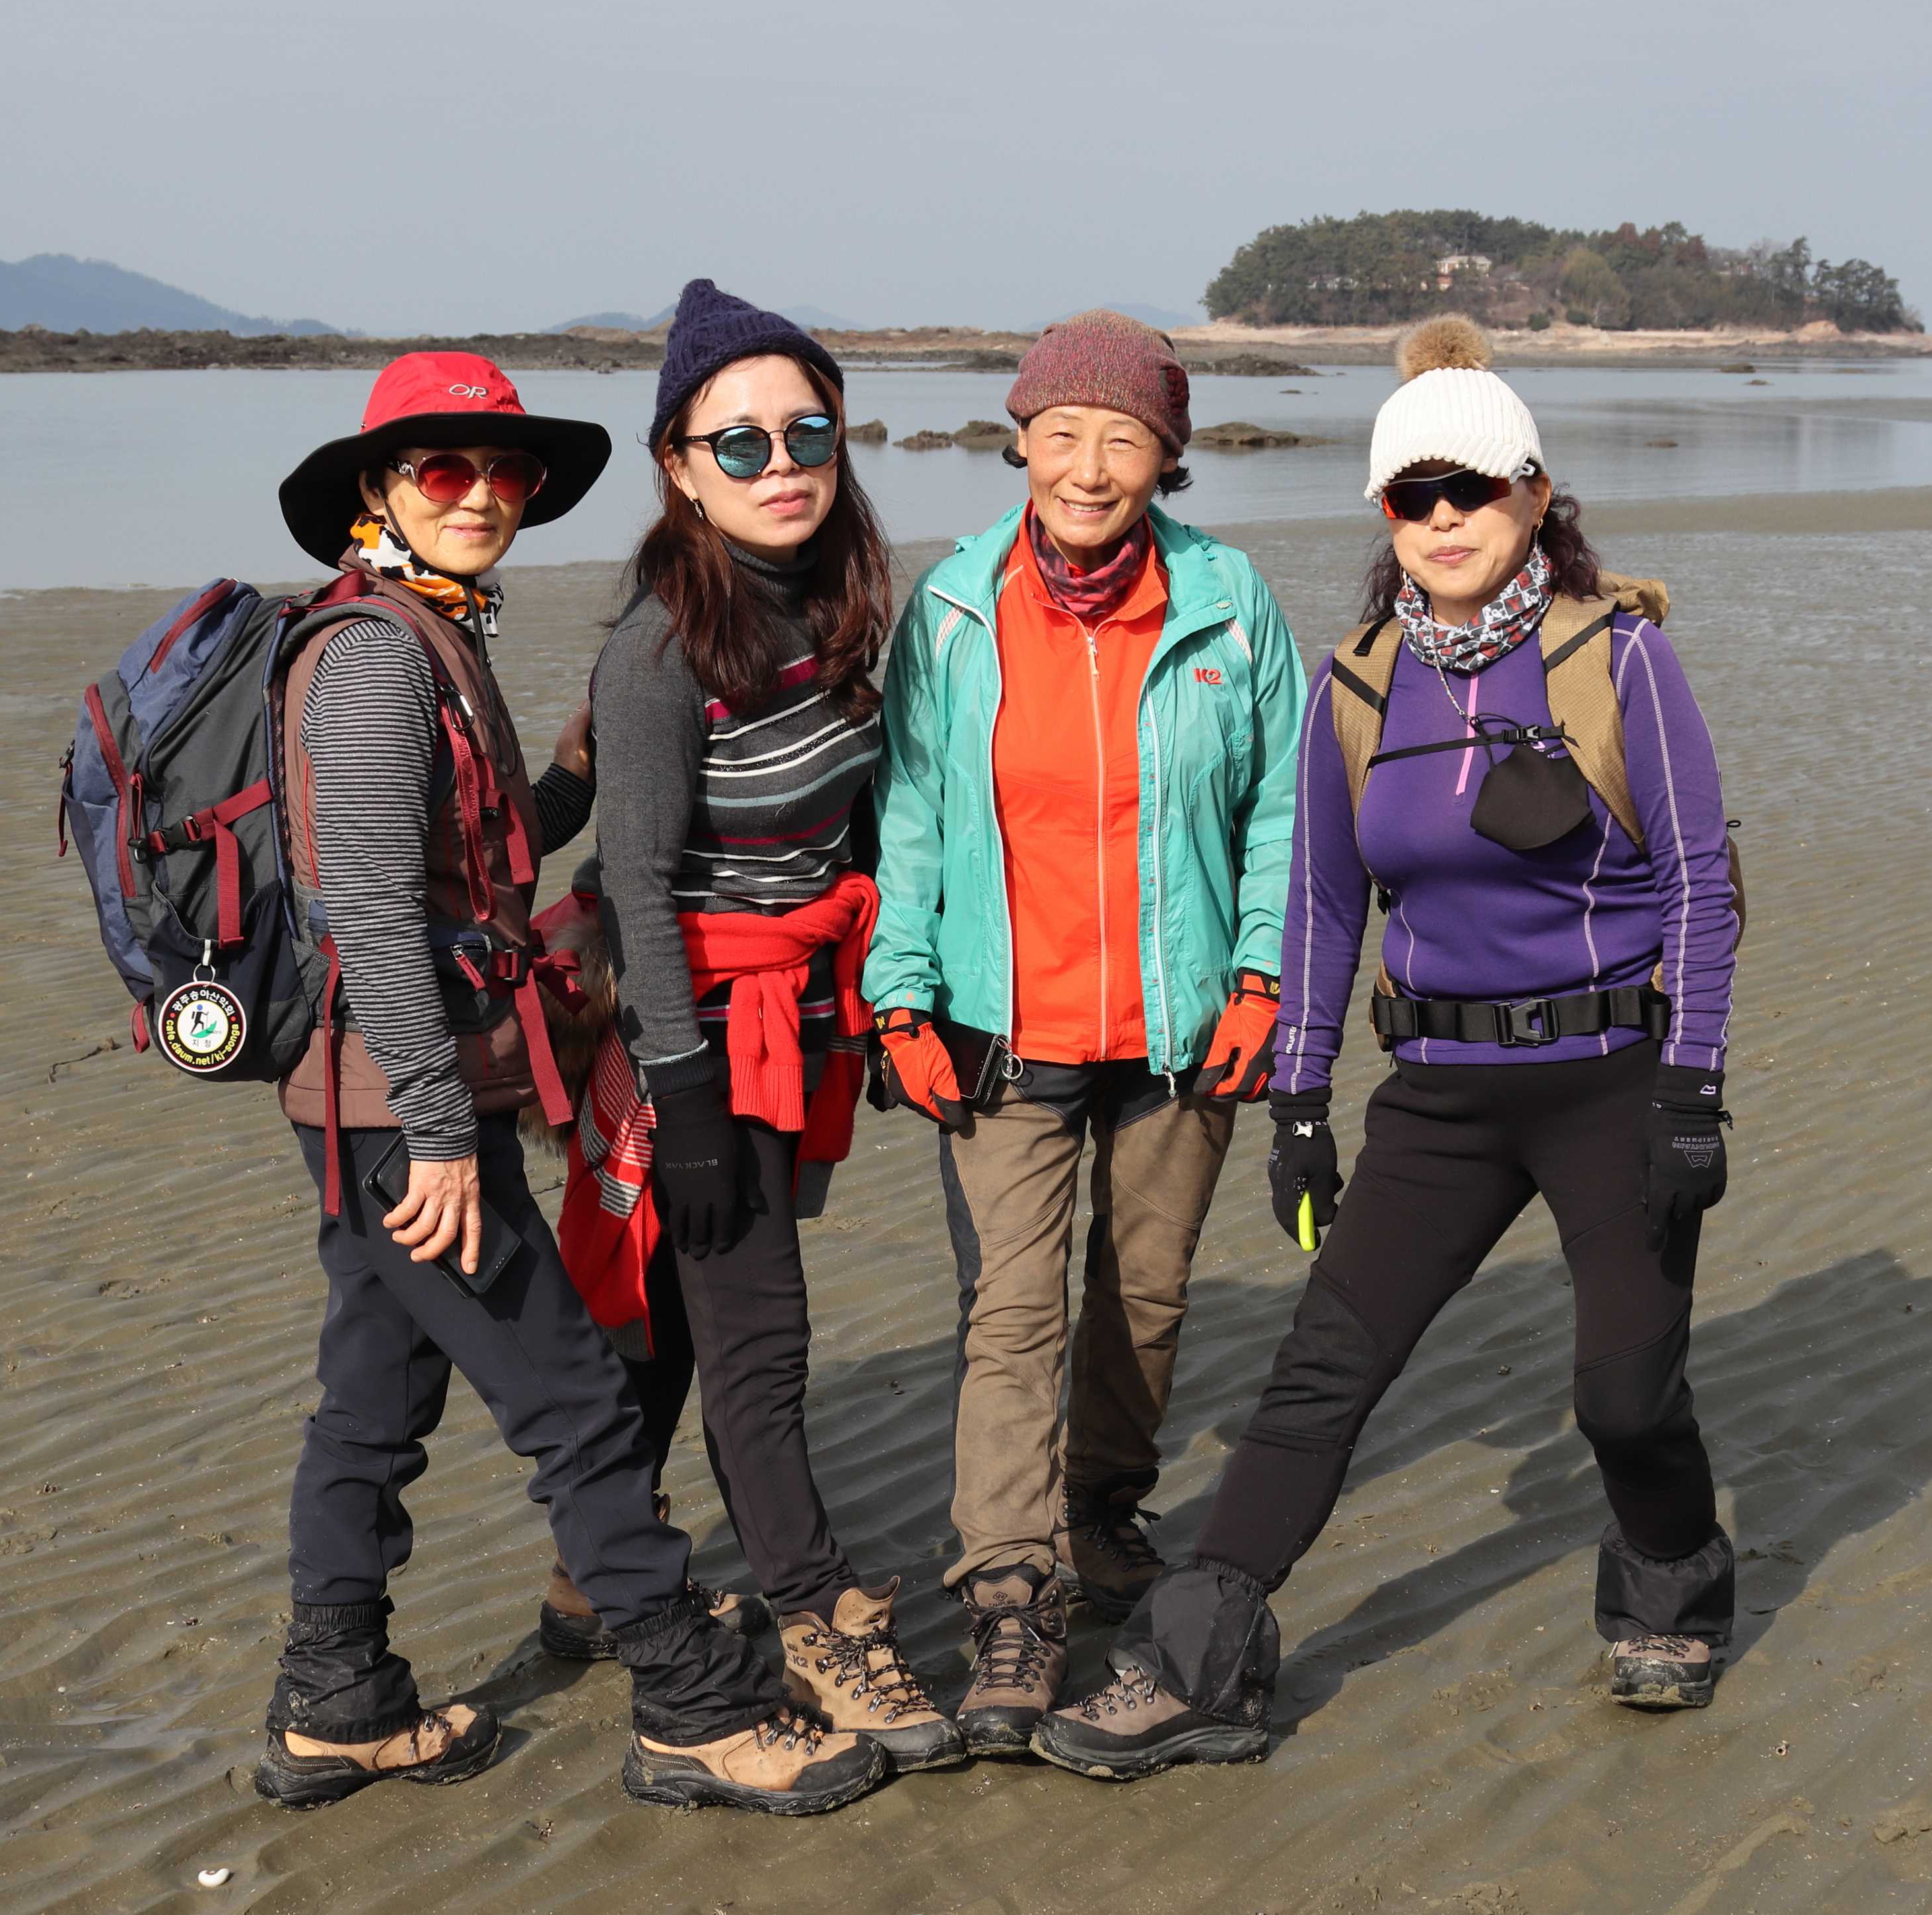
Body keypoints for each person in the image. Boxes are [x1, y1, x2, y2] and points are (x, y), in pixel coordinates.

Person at [1030, 314, 1745, 1781]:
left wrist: (1692, 1088)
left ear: (1532, 496)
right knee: (1318, 1377)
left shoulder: (1620, 657)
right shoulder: (1355, 684)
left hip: (1612, 1084)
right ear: (1384, 512)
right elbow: (1320, 908)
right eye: (1414, 497)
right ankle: (1192, 1664)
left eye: (1471, 491)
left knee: (1623, 1399)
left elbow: (1697, 881)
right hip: (1439, 1101)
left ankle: (1672, 1587)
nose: (1443, 520)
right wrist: (1300, 1106)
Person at [248, 349, 883, 1816]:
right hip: (401, 1105)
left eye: (505, 471)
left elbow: (473, 855)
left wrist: (574, 783)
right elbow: (371, 914)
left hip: (376, 1098)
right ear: (377, 488)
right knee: (579, 1403)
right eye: (442, 469)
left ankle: (334, 1700)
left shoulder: (427, 629)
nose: (480, 495)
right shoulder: (373, 659)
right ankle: (691, 1705)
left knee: (372, 1399)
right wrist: (435, 1132)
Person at [866, 310, 1303, 1756]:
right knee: (1012, 1312)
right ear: (1022, 442)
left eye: (1123, 438)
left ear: (1167, 456)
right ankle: (1010, 1594)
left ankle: (1102, 1511)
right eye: (1062, 434)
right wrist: (898, 993)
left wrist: (1262, 978)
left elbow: (1282, 812)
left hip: (1182, 1028)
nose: (1089, 466)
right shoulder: (954, 608)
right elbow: (909, 814)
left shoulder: (1229, 600)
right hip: (1001, 1027)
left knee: (1146, 1296)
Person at [570, 283, 961, 1774]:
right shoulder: (660, 652)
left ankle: (590, 1571)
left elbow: (850, 826)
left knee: (681, 1322)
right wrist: (677, 1092)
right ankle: (811, 1611)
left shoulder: (828, 605)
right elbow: (635, 882)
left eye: (809, 433)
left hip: (799, 1021)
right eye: (740, 443)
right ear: (678, 466)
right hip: (697, 1032)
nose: (781, 464)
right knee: (760, 1332)